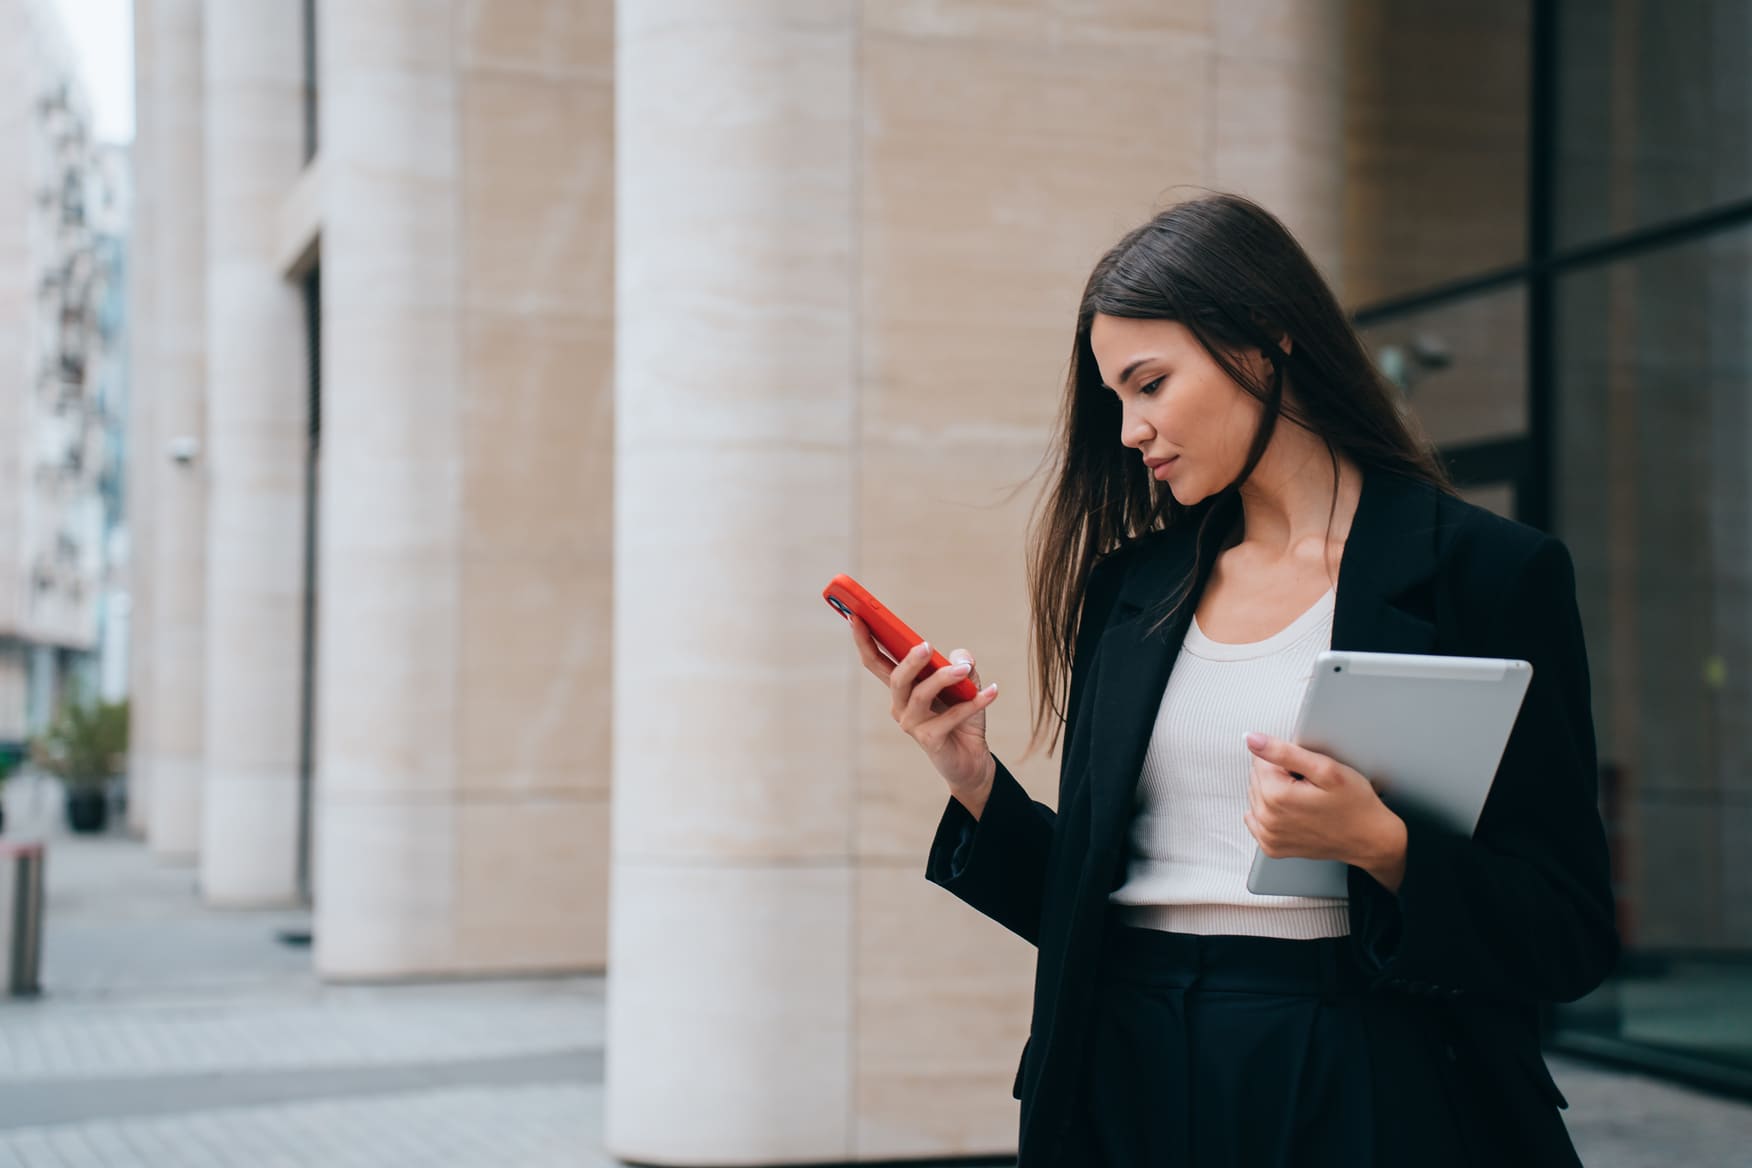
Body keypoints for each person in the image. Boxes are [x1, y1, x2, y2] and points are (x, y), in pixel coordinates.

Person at [844, 192, 1618, 1168]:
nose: (1129, 431)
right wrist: (973, 780)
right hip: (1127, 1065)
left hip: (1371, 1066)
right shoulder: (1131, 591)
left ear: (1261, 341)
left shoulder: (1487, 575)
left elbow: (1568, 930)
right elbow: (1087, 911)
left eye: (1151, 383)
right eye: (1115, 399)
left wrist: (1383, 846)